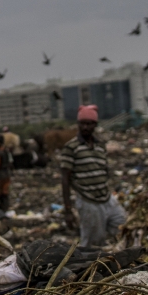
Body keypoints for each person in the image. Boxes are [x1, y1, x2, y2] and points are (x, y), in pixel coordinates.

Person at [59, 105, 126, 247]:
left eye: (89, 124)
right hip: (89, 202)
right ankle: (89, 268)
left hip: (107, 199)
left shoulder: (100, 146)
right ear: (78, 124)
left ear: (95, 125)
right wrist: (68, 210)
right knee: (92, 244)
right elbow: (65, 179)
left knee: (123, 227)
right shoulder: (71, 148)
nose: (85, 127)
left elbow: (104, 170)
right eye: (82, 123)